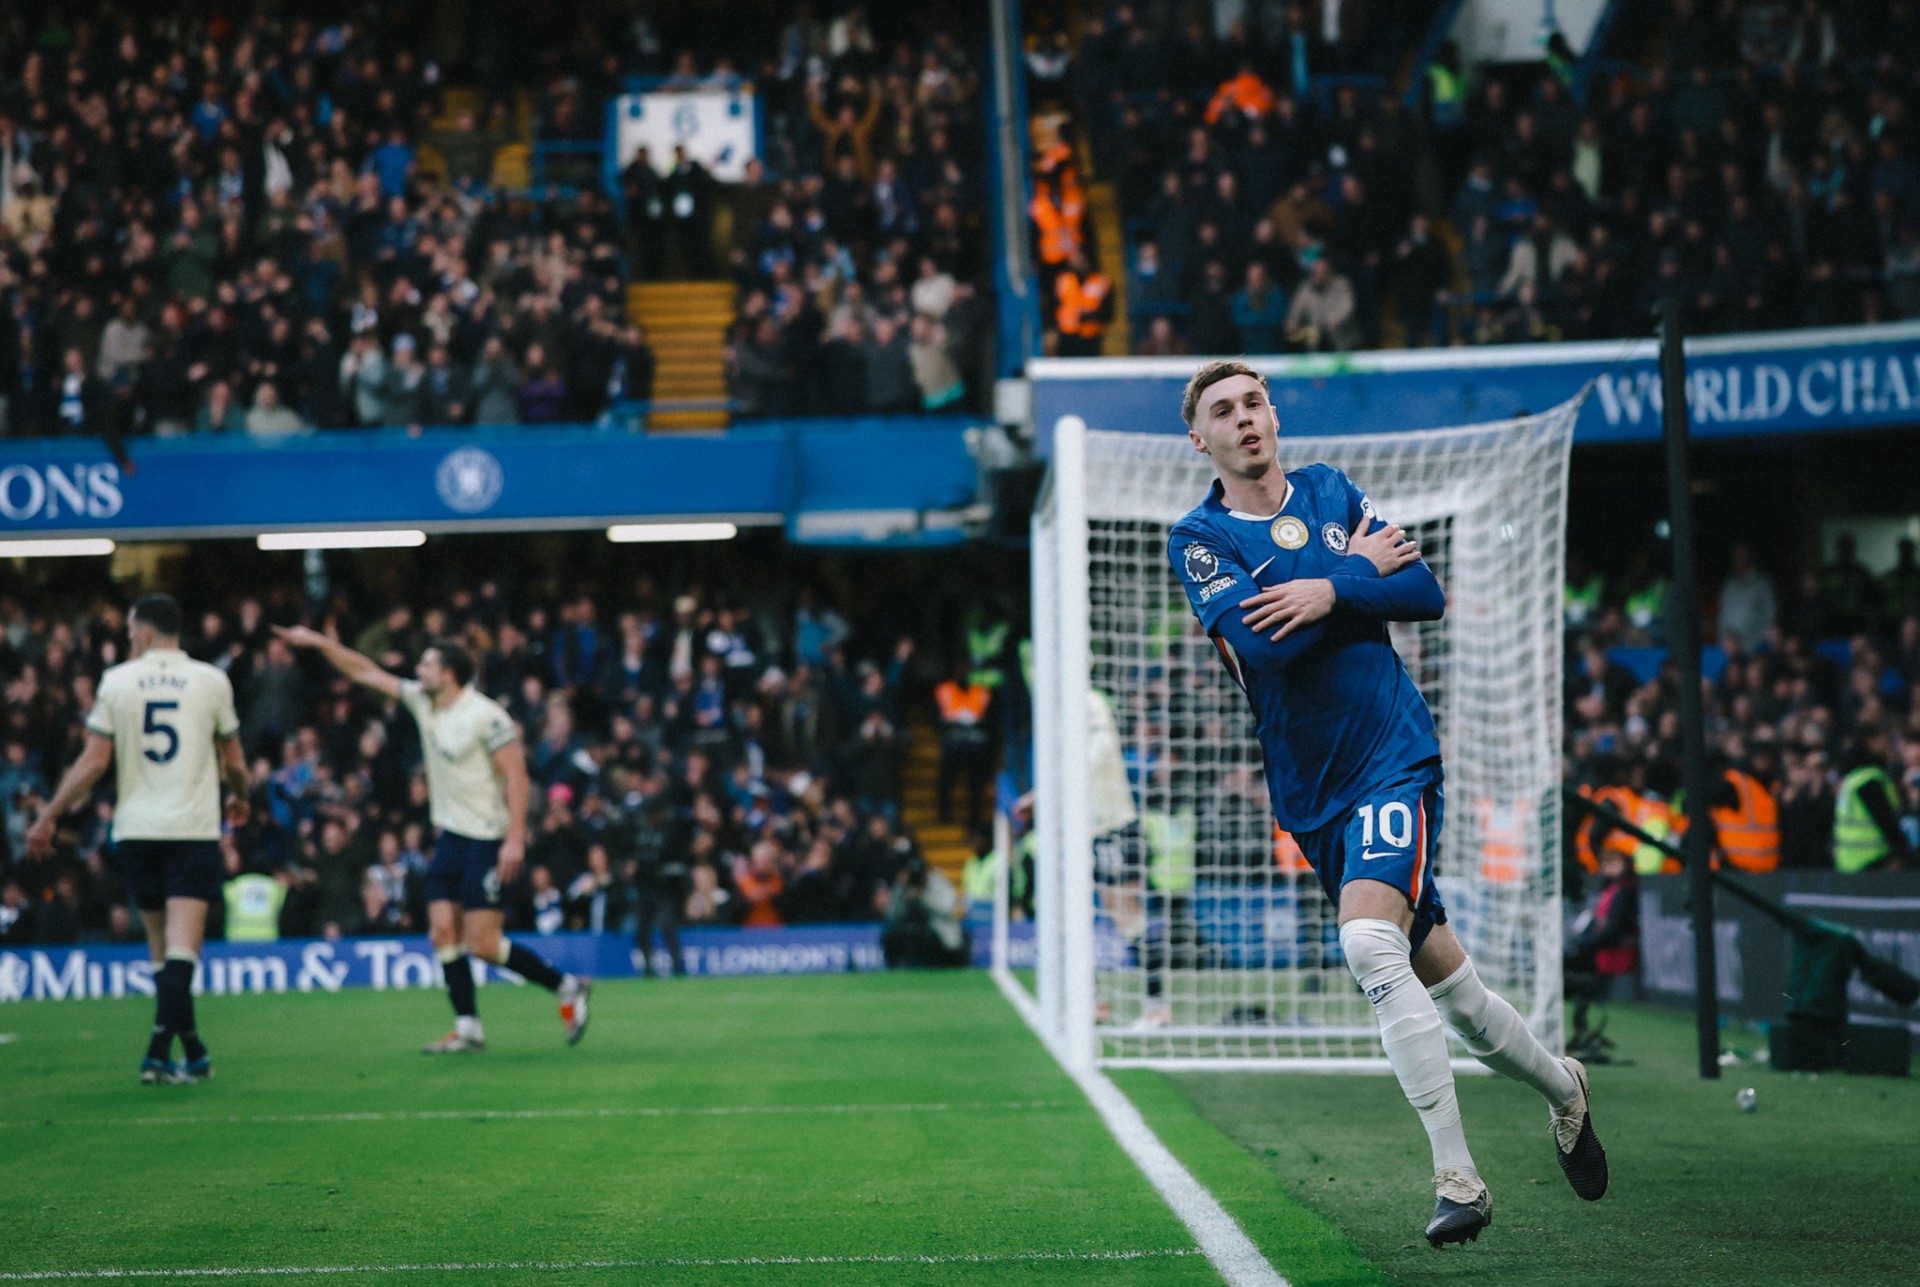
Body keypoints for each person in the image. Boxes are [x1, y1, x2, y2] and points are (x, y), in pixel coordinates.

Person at [1167, 360, 1607, 1247]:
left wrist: (1328, 588)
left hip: (1392, 753)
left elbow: (1423, 592)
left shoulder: (1331, 489)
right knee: (1459, 993)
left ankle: (1458, 1179)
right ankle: (1566, 1088)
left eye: (1254, 402)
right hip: (1311, 789)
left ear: (1273, 415)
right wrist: (1350, 572)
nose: (1244, 418)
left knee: (1368, 941)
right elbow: (1262, 644)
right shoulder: (1200, 538)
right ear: (1201, 439)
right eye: (1223, 410)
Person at [274, 626, 590, 1051]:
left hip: (486, 839)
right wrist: (318, 642)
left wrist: (515, 838)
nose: (418, 670)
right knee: (442, 932)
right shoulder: (423, 701)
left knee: (482, 943)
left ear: (449, 673)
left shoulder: (486, 716)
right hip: (450, 839)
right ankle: (468, 1028)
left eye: (427, 664)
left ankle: (566, 986)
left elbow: (517, 776)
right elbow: (365, 672)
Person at [27, 594, 249, 1084]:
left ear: (145, 633)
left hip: (137, 831)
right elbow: (234, 761)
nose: (129, 638)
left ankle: (193, 1052)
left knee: (160, 949)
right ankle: (155, 1053)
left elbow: (93, 762)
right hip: (191, 828)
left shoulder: (117, 681)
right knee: (182, 952)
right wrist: (241, 795)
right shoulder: (211, 680)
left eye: (130, 631)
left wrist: (49, 813)